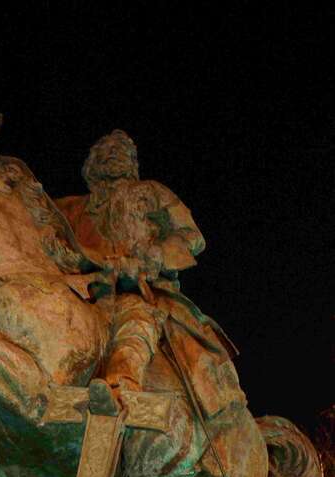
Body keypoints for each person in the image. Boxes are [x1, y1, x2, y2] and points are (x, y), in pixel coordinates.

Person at [55, 130, 245, 419]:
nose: (114, 153)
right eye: (105, 150)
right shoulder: (71, 208)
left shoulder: (152, 192)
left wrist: (151, 256)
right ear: (91, 164)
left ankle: (122, 387)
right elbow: (29, 210)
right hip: (84, 292)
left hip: (137, 289)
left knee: (135, 317)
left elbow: (191, 236)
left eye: (123, 150)